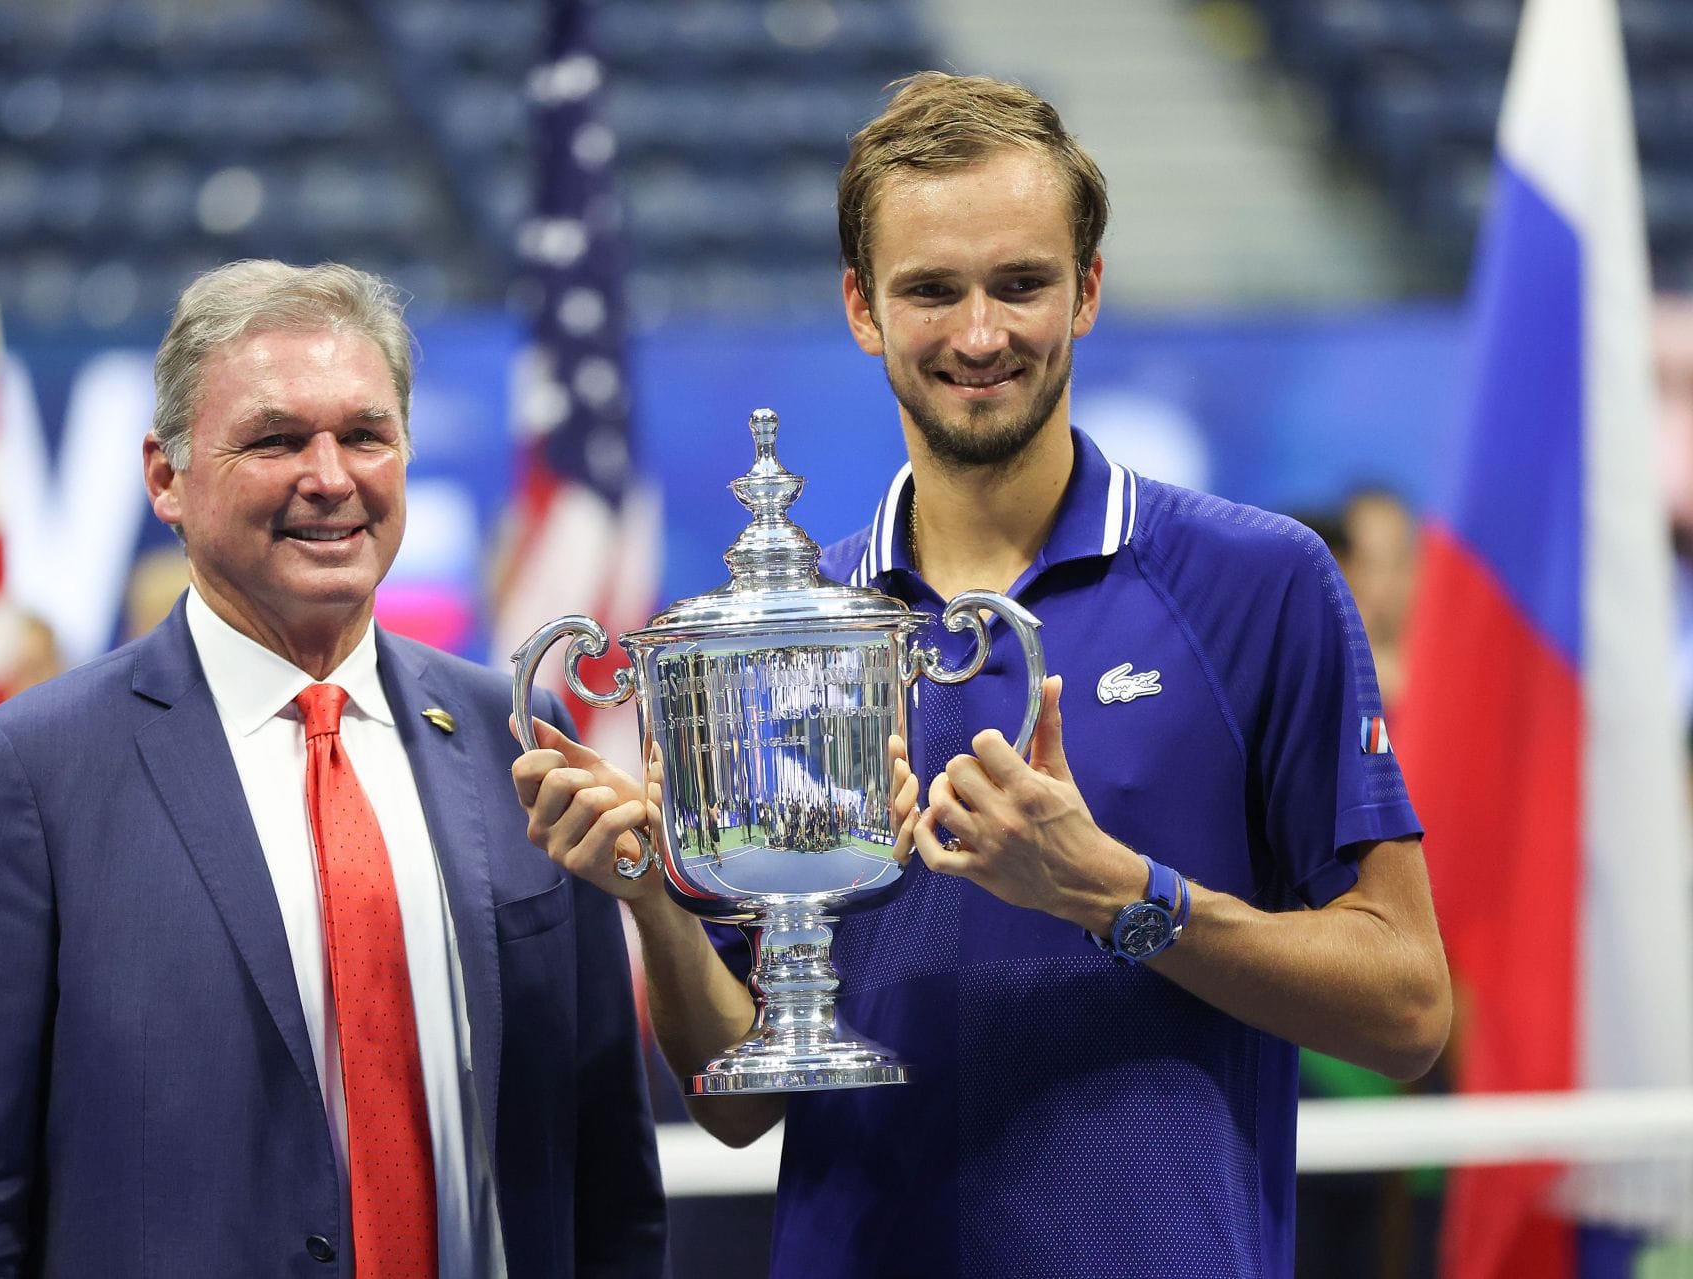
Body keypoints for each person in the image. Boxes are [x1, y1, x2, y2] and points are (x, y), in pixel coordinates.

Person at [512, 73, 1450, 1278]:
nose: (978, 334)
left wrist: (1117, 891)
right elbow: (737, 1098)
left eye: (1021, 283)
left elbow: (1410, 1013)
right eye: (930, 290)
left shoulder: (1258, 583)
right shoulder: (793, 635)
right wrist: (649, 893)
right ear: (862, 307)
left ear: (1090, 289)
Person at [0, 261, 665, 1278]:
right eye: (277, 439)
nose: (331, 476)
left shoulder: (519, 736)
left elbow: (607, 1179)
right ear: (164, 476)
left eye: (366, 435)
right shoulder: (24, 777)